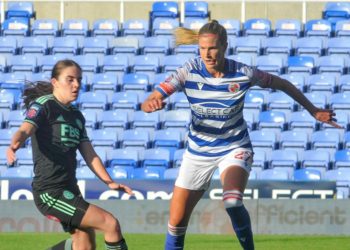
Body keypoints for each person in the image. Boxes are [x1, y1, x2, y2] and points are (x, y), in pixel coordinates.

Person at [141, 20, 341, 250]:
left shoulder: (243, 73)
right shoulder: (187, 72)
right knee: (176, 223)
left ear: (225, 46)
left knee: (232, 201)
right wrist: (152, 104)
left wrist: (313, 110)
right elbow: (149, 101)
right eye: (203, 48)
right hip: (198, 152)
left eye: (213, 48)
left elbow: (283, 84)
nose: (207, 54)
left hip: (234, 147)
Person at [6, 59, 133, 250]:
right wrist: (15, 143)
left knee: (84, 245)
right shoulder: (44, 105)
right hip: (50, 192)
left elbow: (90, 154)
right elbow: (25, 129)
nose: (76, 85)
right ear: (55, 82)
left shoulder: (76, 116)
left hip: (70, 189)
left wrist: (109, 181)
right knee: (110, 223)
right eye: (70, 79)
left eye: (79, 80)